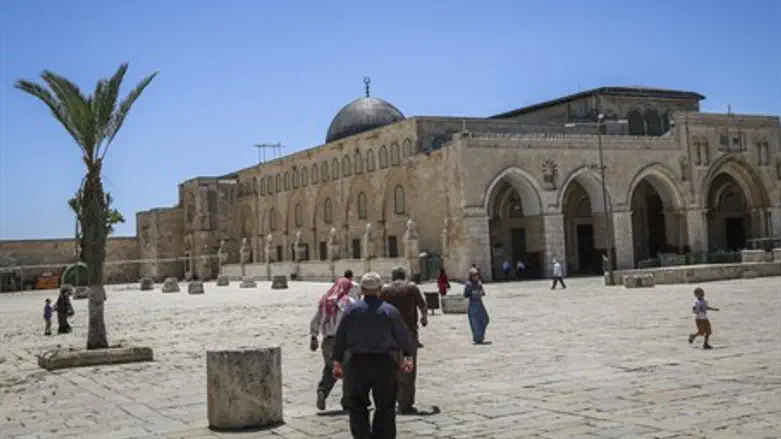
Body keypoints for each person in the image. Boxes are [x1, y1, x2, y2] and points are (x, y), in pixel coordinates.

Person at [332, 272, 414, 439]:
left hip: (357, 362)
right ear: (380, 289)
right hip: (383, 362)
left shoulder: (351, 311)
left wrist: (337, 361)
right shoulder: (389, 311)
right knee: (386, 405)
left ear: (362, 289)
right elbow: (402, 335)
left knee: (357, 404)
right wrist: (407, 356)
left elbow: (340, 337)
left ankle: (362, 436)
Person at [380, 266, 428, 414]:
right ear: (404, 276)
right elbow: (422, 305)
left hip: (390, 336)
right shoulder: (411, 287)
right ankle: (405, 403)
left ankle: (391, 399)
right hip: (409, 335)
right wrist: (424, 318)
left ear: (393, 276)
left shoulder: (385, 290)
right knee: (408, 369)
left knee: (391, 369)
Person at [310, 277, 360, 411]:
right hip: (345, 342)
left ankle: (322, 391)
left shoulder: (325, 300)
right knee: (349, 370)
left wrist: (314, 337)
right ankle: (347, 400)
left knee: (330, 368)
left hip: (328, 341)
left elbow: (315, 320)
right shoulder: (349, 302)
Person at [464, 267, 490, 344]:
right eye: (474, 276)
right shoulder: (468, 284)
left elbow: (483, 292)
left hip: (480, 304)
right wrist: (472, 293)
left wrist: (480, 293)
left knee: (485, 319)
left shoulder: (479, 283)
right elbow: (465, 294)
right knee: (475, 323)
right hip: (473, 305)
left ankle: (480, 335)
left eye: (477, 275)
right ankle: (478, 338)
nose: (476, 277)